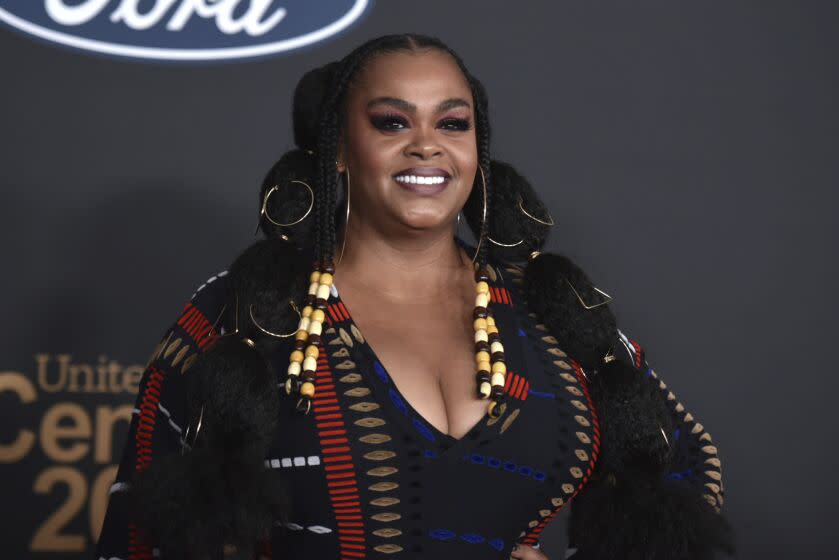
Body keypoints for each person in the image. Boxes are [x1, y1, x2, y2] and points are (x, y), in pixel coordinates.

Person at [95, 34, 734, 560]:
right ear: (338, 149)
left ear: (476, 151)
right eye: (392, 121)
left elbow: (682, 473)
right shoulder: (246, 316)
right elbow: (138, 537)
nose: (426, 143)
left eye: (451, 123)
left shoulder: (550, 315)